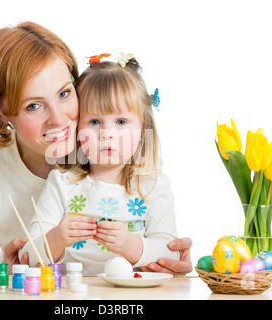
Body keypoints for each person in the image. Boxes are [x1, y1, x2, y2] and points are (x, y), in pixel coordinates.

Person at [0, 21, 193, 276]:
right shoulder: (0, 177)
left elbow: (167, 250)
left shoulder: (144, 177)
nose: (58, 118)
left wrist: (162, 257)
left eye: (64, 93)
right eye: (33, 106)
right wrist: (9, 274)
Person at [21, 56, 183, 275]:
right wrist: (57, 238)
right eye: (95, 122)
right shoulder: (62, 183)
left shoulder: (152, 185)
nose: (107, 134)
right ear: (78, 128)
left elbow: (172, 253)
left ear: (143, 127)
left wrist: (130, 245)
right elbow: (28, 255)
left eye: (121, 122)